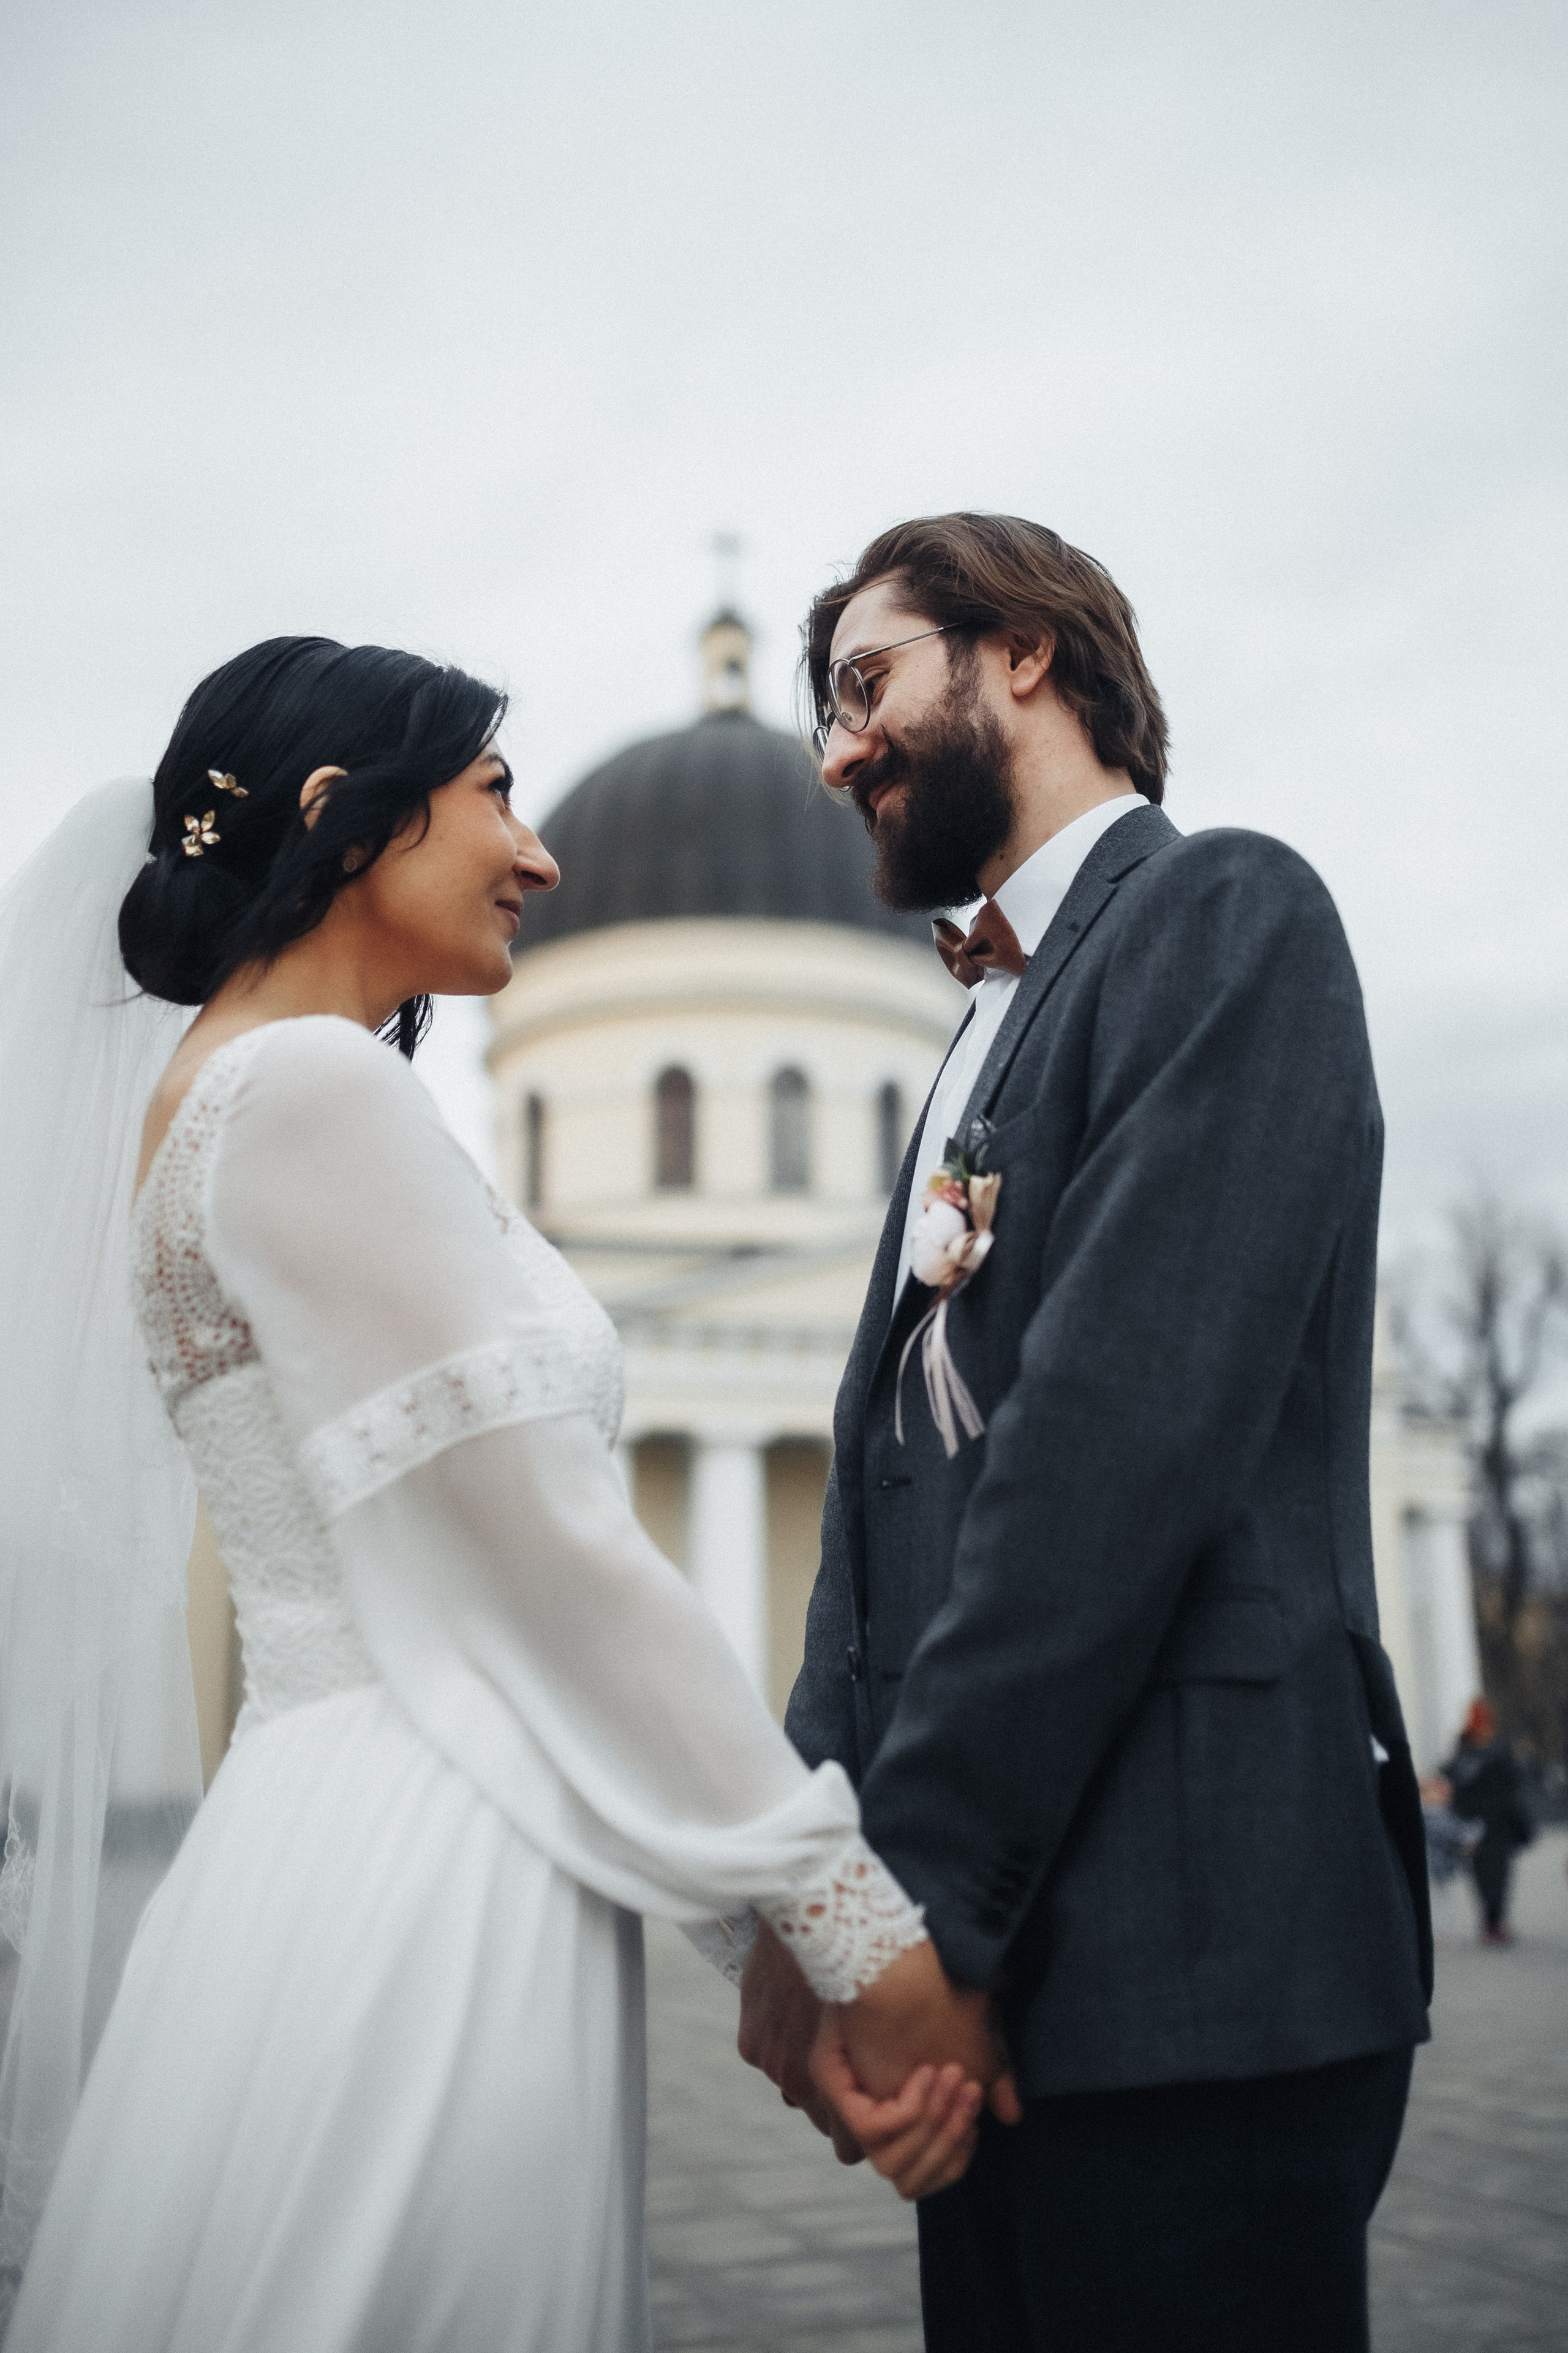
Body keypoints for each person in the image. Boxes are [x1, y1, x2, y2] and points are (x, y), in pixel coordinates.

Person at [0, 638, 1006, 2352]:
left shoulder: (224, 1096)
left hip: (328, 1844)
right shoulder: (312, 1091)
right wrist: (859, 1942)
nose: (540, 855)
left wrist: (750, 1956)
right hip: (432, 1882)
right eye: (494, 795)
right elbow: (555, 1578)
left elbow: (505, 1595)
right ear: (341, 819)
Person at [739, 514, 1433, 2353]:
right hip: (998, 1993)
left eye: (868, 679)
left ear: (1025, 651)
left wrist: (906, 1925)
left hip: (1194, 1949)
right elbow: (882, 1508)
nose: (833, 749)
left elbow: (1109, 1453)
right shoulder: (977, 1025)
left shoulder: (1225, 915)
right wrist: (820, 1916)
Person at [1441, 1698, 1534, 1944]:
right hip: (1474, 1821)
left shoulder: (1501, 1746)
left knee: (1501, 1872)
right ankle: (1491, 1922)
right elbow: (1452, 1777)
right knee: (1481, 1873)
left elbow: (1515, 1779)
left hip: (1501, 1820)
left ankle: (1497, 1921)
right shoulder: (1464, 1747)